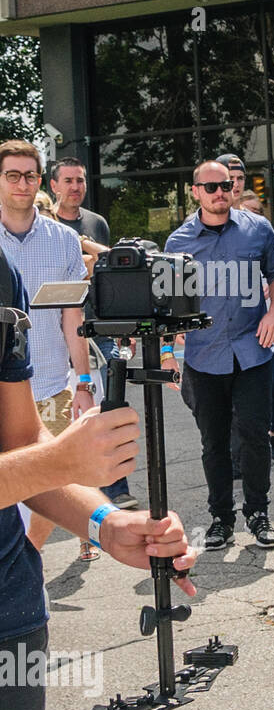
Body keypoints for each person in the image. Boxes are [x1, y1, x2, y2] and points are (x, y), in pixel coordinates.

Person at [0, 246, 198, 710]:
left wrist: (106, 522)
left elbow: (18, 442)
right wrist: (61, 457)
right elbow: (42, 456)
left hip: (10, 618)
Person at [163, 160, 274, 551]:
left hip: (252, 352)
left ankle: (259, 513)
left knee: (254, 436)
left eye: (226, 185)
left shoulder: (257, 229)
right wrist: (168, 353)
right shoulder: (178, 243)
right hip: (204, 356)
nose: (221, 192)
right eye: (211, 186)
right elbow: (168, 305)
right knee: (213, 442)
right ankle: (221, 518)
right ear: (195, 190)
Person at [0, 140, 101, 559]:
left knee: (54, 478)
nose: (22, 184)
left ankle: (30, 559)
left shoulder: (63, 241)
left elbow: (72, 319)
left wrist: (82, 382)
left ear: (40, 181)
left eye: (29, 175)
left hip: (52, 383)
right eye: (12, 175)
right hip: (4, 389)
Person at [51, 155, 139, 511]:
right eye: (68, 180)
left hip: (99, 331)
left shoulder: (96, 223)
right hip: (57, 334)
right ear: (53, 185)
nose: (76, 187)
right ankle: (61, 488)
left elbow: (109, 277)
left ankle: (116, 487)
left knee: (110, 407)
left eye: (81, 180)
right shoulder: (46, 225)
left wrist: (121, 327)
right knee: (62, 411)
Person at [238, 190, 274, 461]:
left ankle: (273, 431)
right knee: (249, 393)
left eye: (258, 211)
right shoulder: (233, 246)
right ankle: (251, 445)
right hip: (246, 329)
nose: (254, 215)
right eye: (247, 211)